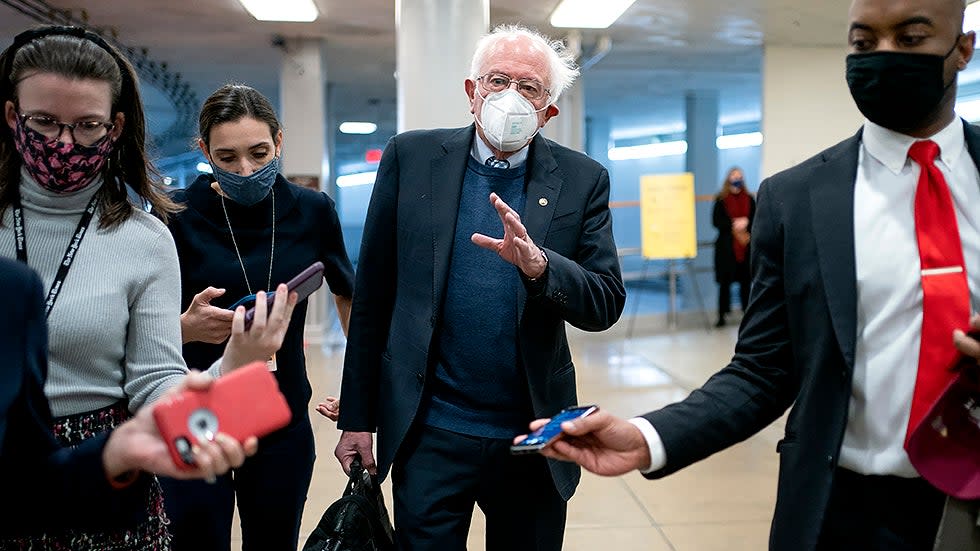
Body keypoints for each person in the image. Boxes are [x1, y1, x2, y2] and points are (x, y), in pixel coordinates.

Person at [519, 0, 980, 549]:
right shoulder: (796, 200)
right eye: (863, 42)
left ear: (962, 48)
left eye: (910, 39)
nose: (882, 55)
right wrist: (647, 436)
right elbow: (762, 371)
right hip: (845, 508)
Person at [0, 26, 295, 548]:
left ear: (114, 128)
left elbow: (155, 377)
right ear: (10, 117)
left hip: (107, 465)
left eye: (87, 125)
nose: (65, 143)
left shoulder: (145, 238)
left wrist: (232, 367)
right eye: (44, 122)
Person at [335, 25, 625, 551]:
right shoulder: (412, 159)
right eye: (498, 80)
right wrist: (358, 417)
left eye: (530, 88)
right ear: (472, 92)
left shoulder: (583, 179)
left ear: (548, 112)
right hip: (430, 432)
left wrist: (540, 266)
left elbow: (605, 300)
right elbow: (373, 295)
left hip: (534, 436)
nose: (511, 96)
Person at [162, 83, 355, 550]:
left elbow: (348, 297)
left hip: (279, 410)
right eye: (226, 158)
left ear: (279, 142)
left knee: (273, 540)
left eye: (258, 152)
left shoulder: (311, 211)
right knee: (195, 540)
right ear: (205, 150)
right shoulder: (175, 216)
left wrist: (358, 389)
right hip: (195, 406)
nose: (245, 170)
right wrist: (183, 327)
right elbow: (137, 321)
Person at [0, 257, 259, 538]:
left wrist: (115, 452)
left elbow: (29, 491)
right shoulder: (15, 282)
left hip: (110, 451)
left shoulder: (15, 284)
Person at [712, 167, 755, 327]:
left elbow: (756, 218)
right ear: (728, 178)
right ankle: (722, 315)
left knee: (746, 283)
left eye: (740, 176)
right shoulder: (721, 200)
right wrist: (733, 224)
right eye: (734, 176)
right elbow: (716, 222)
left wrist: (747, 223)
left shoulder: (749, 199)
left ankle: (747, 314)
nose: (737, 179)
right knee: (724, 284)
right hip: (726, 250)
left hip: (745, 248)